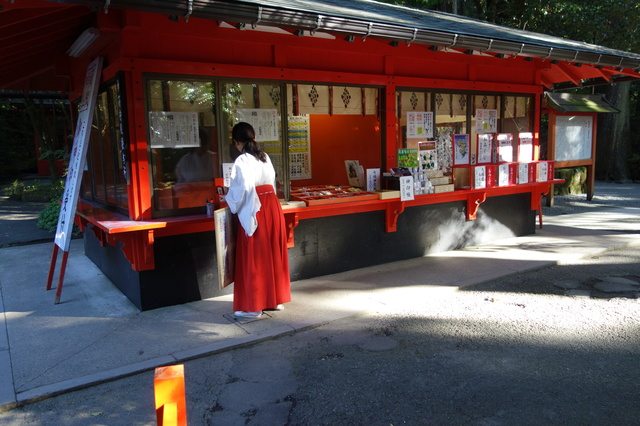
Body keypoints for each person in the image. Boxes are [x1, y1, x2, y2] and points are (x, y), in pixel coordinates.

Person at [225, 122, 291, 318]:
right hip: (272, 205)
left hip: (257, 206)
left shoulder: (242, 160)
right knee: (271, 251)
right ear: (253, 138)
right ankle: (275, 300)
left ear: (237, 142)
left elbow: (242, 189)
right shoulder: (265, 157)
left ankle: (253, 306)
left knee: (253, 254)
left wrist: (229, 200)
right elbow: (270, 182)